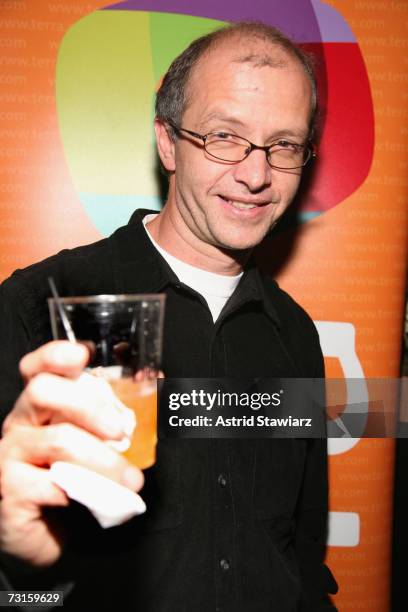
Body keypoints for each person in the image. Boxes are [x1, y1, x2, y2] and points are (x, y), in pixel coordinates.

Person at [0, 21, 337, 611]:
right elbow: (20, 585)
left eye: (284, 144)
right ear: (167, 142)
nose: (256, 176)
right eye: (224, 136)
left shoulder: (295, 333)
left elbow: (299, 547)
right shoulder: (42, 306)